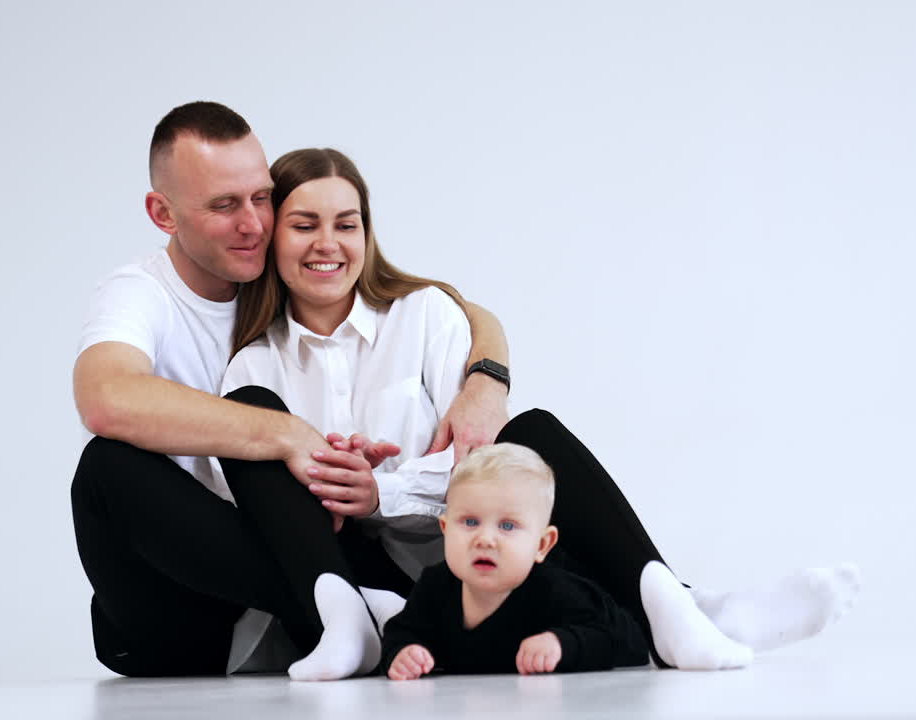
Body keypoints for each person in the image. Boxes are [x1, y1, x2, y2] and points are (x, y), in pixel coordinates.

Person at [218, 147, 863, 680]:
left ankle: (681, 606)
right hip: (377, 586)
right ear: (273, 235)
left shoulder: (424, 317)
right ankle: (697, 611)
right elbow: (257, 505)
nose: (328, 243)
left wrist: (381, 489)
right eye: (304, 224)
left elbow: (489, 460)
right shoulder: (252, 370)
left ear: (367, 232)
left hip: (489, 553)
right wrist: (335, 497)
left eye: (347, 223)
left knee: (533, 434)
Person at [69, 101, 512, 677]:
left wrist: (487, 376)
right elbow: (105, 397)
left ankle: (347, 609)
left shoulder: (296, 296)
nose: (252, 223)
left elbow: (445, 307)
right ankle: (351, 606)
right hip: (183, 603)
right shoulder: (141, 294)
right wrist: (285, 435)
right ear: (164, 213)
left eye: (261, 198)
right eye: (224, 206)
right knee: (108, 468)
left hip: (306, 570)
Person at [382, 444, 650, 678]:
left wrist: (561, 643)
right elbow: (402, 631)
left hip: (619, 624)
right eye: (470, 522)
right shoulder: (435, 586)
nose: (485, 539)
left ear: (542, 545)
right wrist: (405, 652)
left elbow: (618, 642)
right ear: (446, 528)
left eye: (507, 526)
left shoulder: (554, 590)